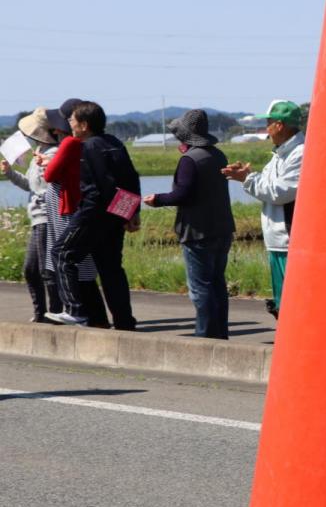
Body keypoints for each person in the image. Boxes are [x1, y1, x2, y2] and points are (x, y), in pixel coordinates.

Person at [143, 110, 235, 339]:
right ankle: (219, 334)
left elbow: (182, 194)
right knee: (216, 284)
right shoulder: (218, 155)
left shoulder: (189, 160)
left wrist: (157, 200)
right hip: (222, 228)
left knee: (200, 288)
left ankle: (203, 336)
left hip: (197, 231)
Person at [53, 101, 141, 330]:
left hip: (94, 214)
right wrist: (130, 213)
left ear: (84, 124)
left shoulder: (89, 147)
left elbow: (99, 188)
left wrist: (84, 218)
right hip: (116, 215)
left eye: (72, 120)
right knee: (111, 268)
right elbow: (131, 179)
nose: (69, 123)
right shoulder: (115, 143)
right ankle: (124, 322)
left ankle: (75, 311)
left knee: (62, 253)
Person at [222, 100, 305, 318]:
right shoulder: (280, 154)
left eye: (267, 123)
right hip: (278, 241)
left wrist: (247, 179)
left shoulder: (300, 153)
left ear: (279, 125)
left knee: (295, 303)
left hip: (290, 241)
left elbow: (280, 192)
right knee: (284, 303)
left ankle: (298, 349)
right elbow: (269, 185)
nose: (266, 129)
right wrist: (249, 175)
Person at [41, 102, 111, 327]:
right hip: (89, 209)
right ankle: (96, 318)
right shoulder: (102, 143)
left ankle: (76, 312)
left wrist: (48, 164)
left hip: (69, 207)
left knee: (64, 256)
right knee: (83, 263)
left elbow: (50, 175)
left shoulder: (70, 143)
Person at [1, 108, 58, 322]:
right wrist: (10, 173)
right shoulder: (39, 152)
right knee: (32, 269)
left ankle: (53, 312)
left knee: (44, 269)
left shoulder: (51, 153)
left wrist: (43, 165)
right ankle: (41, 312)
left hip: (45, 217)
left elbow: (47, 188)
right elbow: (30, 185)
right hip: (37, 217)